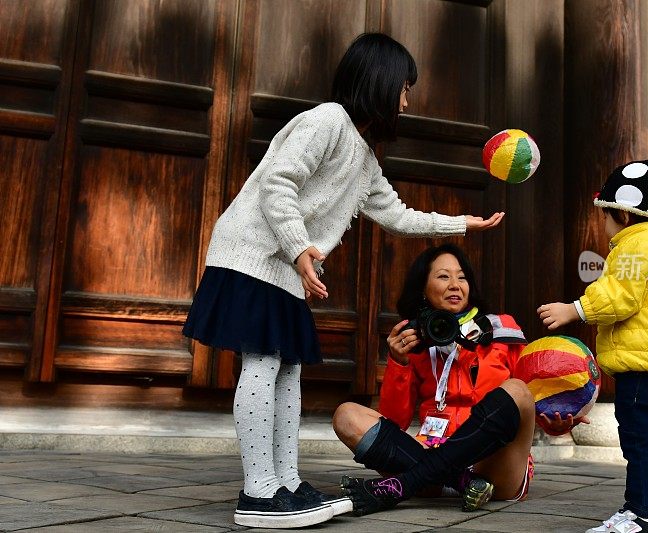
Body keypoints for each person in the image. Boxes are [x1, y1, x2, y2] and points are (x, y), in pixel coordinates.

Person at [182, 33, 504, 529]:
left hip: (287, 266)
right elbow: (279, 181)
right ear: (379, 79)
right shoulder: (327, 120)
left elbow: (398, 215)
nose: (406, 97)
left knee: (288, 369)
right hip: (253, 256)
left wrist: (462, 224)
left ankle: (285, 483)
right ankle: (258, 492)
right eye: (403, 85)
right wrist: (298, 247)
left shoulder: (365, 157)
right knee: (264, 362)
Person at [333, 244, 586, 516]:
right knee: (346, 415)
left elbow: (529, 399)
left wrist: (557, 425)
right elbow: (395, 422)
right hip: (431, 446)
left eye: (462, 277)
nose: (455, 285)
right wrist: (399, 362)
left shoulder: (502, 329)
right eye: (443, 276)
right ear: (423, 288)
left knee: (517, 389)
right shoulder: (415, 341)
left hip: (492, 465)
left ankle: (408, 483)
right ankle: (462, 482)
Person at [537, 160, 648, 533]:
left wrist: (574, 309)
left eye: (606, 217)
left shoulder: (638, 244)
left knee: (638, 441)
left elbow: (619, 296)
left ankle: (641, 514)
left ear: (625, 216)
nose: (605, 227)